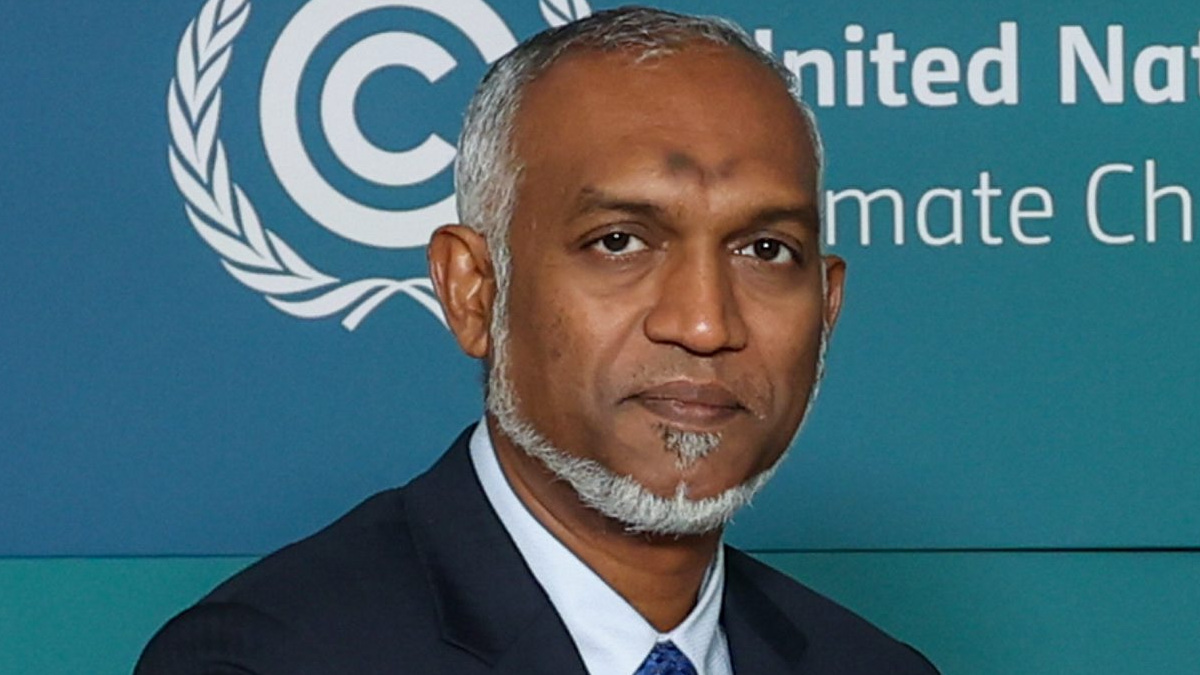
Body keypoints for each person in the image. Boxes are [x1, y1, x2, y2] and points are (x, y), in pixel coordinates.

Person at [138, 7, 938, 674]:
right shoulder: (266, 659)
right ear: (474, 290)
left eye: (765, 250)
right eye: (619, 241)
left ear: (827, 306)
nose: (705, 323)